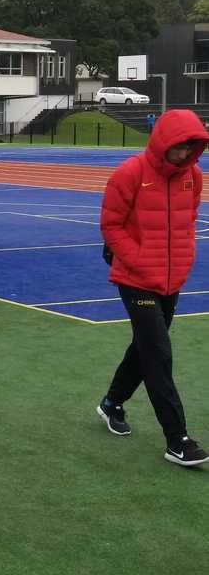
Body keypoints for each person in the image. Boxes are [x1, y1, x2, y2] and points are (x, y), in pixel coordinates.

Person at [97, 108, 209, 467]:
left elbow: (188, 222)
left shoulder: (193, 176)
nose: (184, 154)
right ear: (163, 142)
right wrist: (139, 260)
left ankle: (111, 402)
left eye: (191, 148)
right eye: (179, 147)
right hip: (134, 278)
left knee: (144, 348)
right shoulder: (130, 173)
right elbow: (111, 226)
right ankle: (177, 440)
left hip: (171, 278)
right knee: (158, 354)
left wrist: (184, 260)